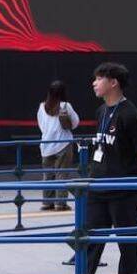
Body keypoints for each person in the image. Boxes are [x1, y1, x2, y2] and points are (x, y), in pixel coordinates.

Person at [45, 62, 137, 274]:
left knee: (127, 242)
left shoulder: (130, 114)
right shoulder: (102, 111)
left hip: (124, 189)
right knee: (89, 241)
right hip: (98, 187)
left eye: (99, 78)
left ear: (113, 82)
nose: (94, 83)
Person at [36, 81, 79, 212]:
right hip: (63, 143)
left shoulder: (42, 107)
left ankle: (47, 202)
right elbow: (75, 123)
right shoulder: (65, 106)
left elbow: (41, 125)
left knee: (48, 175)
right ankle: (60, 203)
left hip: (46, 144)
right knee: (61, 174)